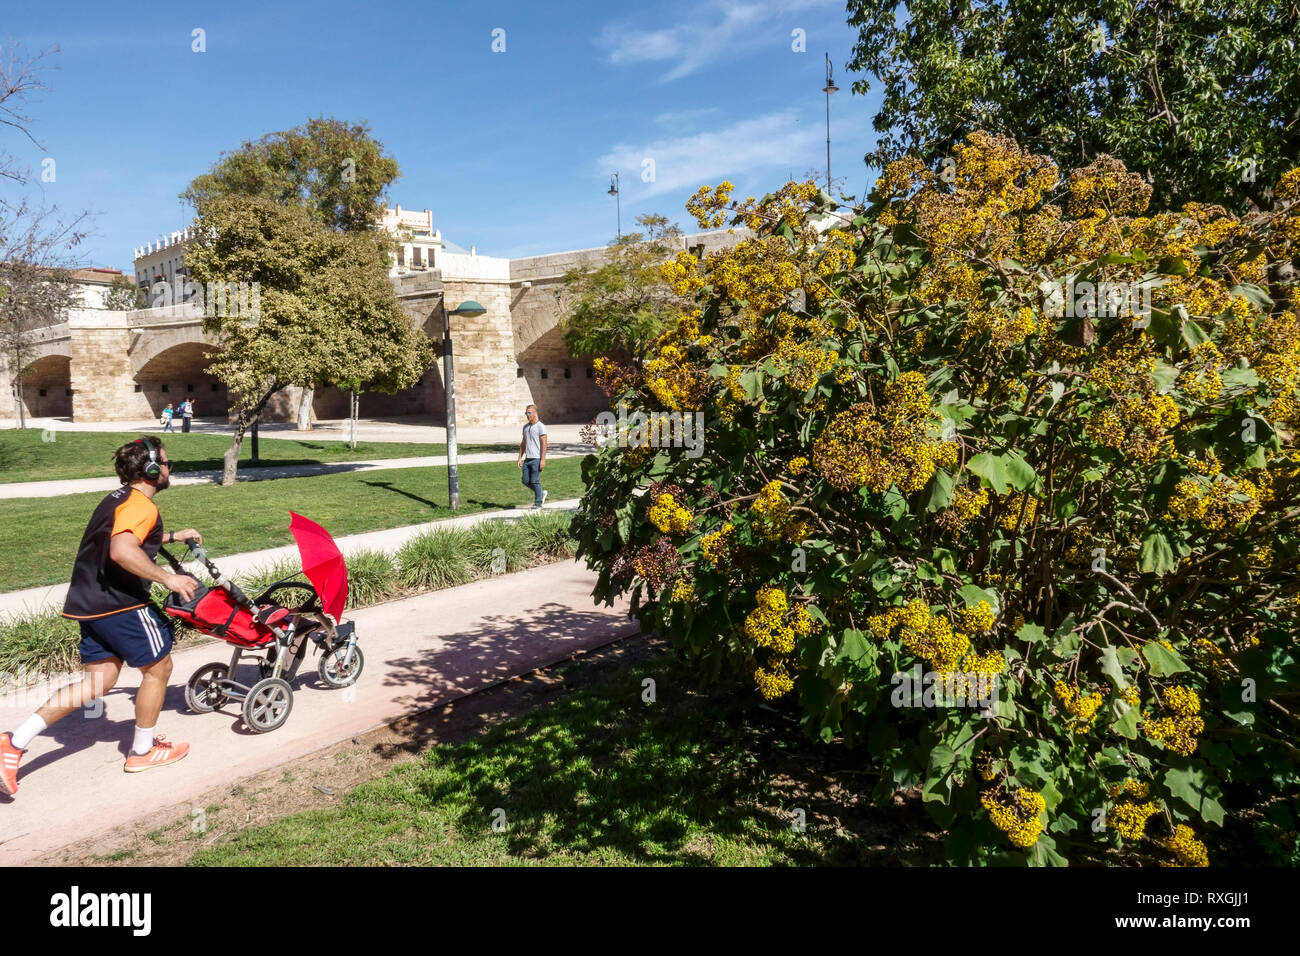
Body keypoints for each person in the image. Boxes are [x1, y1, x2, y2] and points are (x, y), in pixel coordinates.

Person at [0, 437, 204, 796]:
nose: (170, 468)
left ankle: (12, 743)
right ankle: (142, 750)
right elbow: (123, 549)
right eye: (167, 463)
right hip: (120, 603)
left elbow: (127, 537)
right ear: (152, 470)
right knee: (159, 669)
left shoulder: (118, 498)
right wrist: (168, 577)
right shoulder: (142, 506)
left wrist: (172, 535)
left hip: (89, 602)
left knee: (98, 683)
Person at [516, 404, 548, 509]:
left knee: (534, 481)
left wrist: (543, 459)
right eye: (526, 413)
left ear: (535, 413)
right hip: (527, 459)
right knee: (525, 481)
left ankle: (538, 503)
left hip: (537, 459)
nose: (527, 415)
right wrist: (519, 458)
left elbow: (544, 444)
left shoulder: (540, 426)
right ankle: (541, 493)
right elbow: (523, 443)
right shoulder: (525, 427)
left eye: (529, 413)